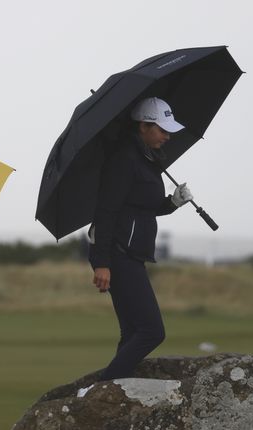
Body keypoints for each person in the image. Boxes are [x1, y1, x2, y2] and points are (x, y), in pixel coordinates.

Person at [80, 97, 194, 396]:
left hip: (131, 253)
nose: (168, 136)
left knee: (132, 332)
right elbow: (106, 211)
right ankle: (99, 394)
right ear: (143, 126)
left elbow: (146, 206)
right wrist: (102, 262)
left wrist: (173, 202)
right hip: (117, 255)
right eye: (162, 129)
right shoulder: (124, 159)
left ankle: (114, 393)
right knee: (151, 331)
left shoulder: (147, 159)